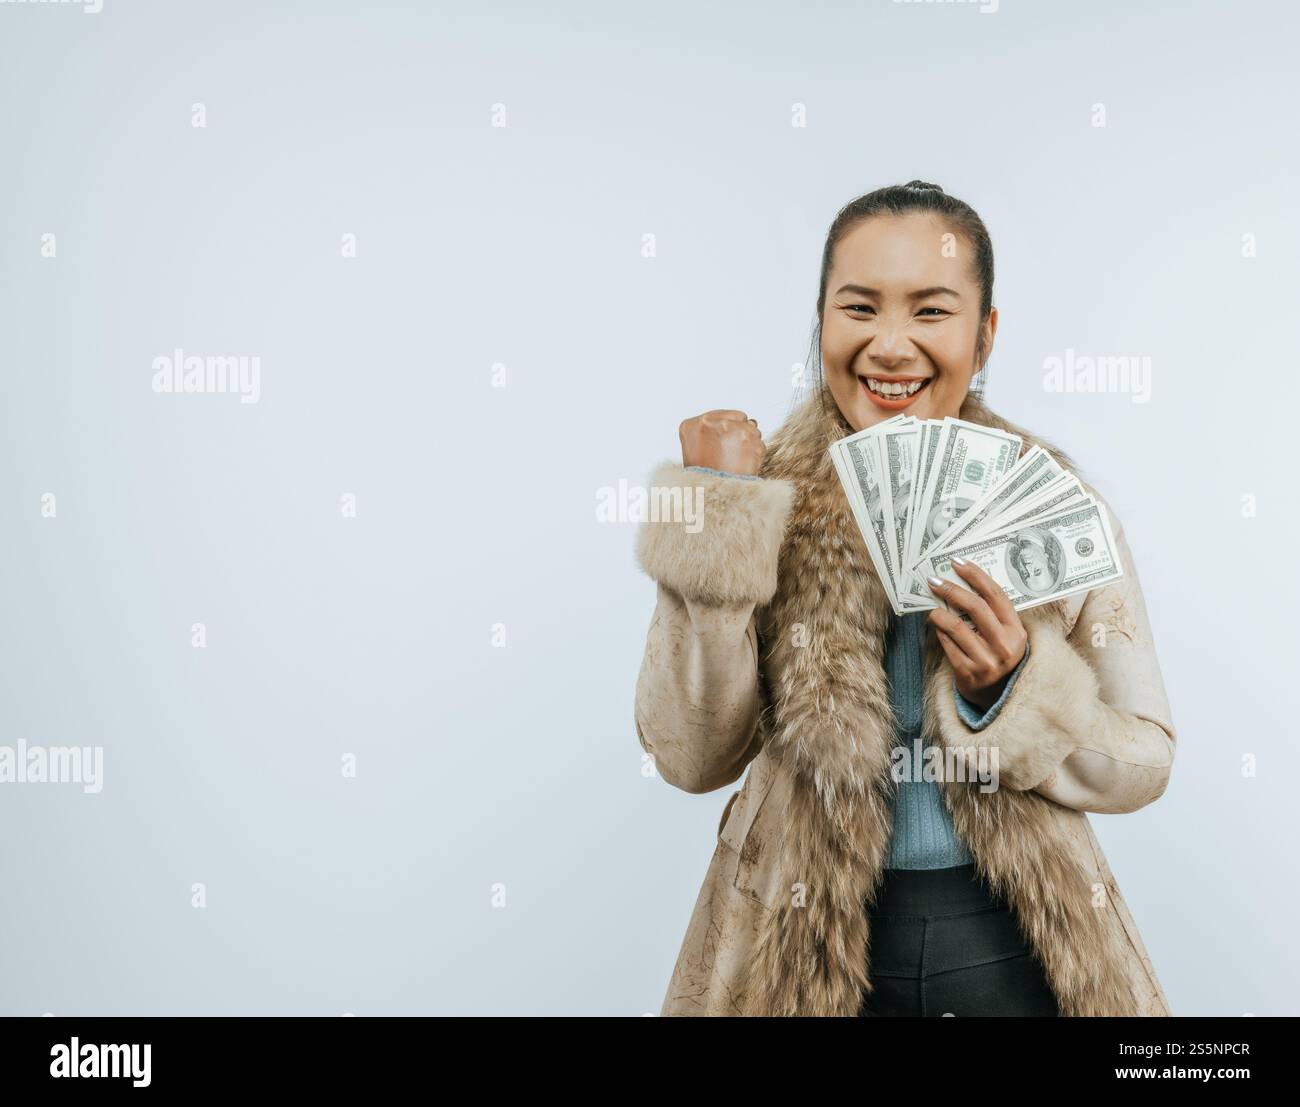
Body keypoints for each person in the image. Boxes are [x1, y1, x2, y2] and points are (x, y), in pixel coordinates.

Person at [633, 181, 1177, 1017]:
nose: (891, 346)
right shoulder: (753, 495)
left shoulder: (1055, 503)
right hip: (801, 938)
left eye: (931, 311)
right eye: (859, 307)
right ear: (820, 323)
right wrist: (715, 520)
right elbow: (691, 756)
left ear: (984, 333)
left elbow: (1143, 762)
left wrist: (1015, 691)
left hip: (1015, 940)